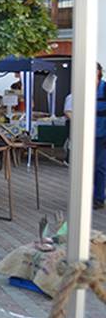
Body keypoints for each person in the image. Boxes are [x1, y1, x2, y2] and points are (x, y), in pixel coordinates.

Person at [63, 63, 105, 210]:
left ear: (99, 73)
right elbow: (70, 109)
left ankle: (98, 198)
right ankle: (86, 196)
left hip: (102, 135)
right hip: (85, 134)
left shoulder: (104, 89)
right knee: (85, 166)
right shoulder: (82, 90)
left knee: (99, 166)